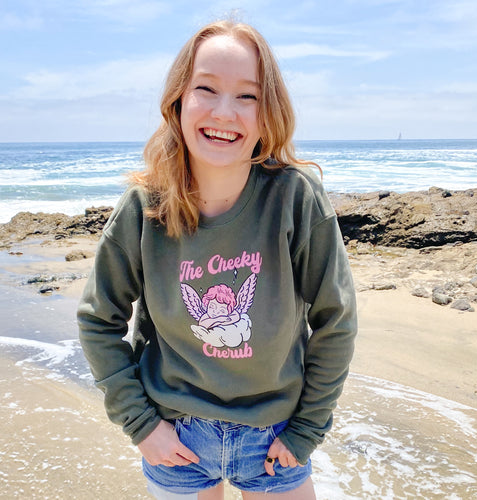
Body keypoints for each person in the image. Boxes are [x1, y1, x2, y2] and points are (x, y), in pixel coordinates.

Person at [77, 18, 357, 500]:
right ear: (178, 100)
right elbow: (98, 320)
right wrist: (141, 426)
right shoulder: (145, 208)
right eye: (206, 88)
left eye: (247, 96)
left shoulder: (294, 197)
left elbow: (336, 320)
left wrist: (307, 430)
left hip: (275, 437)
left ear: (268, 112)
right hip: (176, 436)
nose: (225, 112)